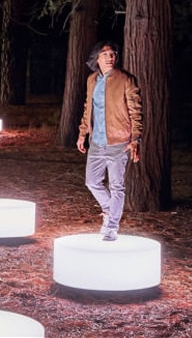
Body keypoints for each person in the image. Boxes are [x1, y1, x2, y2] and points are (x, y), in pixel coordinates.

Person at [76, 41, 143, 241]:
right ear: (97, 58)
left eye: (112, 53)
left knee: (117, 187)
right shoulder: (91, 80)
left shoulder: (125, 80)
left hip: (119, 142)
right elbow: (88, 108)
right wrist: (82, 133)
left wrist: (135, 138)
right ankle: (108, 209)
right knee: (92, 182)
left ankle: (112, 227)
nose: (110, 57)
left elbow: (136, 110)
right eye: (105, 54)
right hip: (96, 142)